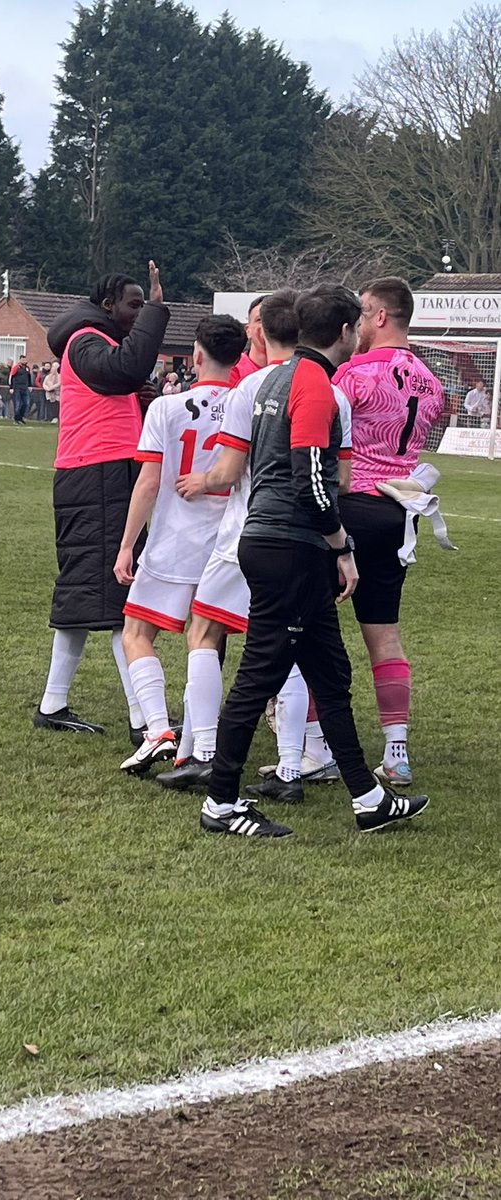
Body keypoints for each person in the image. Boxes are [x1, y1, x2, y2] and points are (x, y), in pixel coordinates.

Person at [198, 283, 430, 838]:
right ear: (347, 332)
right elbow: (314, 484)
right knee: (260, 674)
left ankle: (369, 797)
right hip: (290, 546)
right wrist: (342, 547)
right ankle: (221, 802)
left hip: (272, 540)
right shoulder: (315, 386)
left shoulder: (268, 381)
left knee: (331, 673)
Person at [163, 289, 350, 798]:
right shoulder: (334, 392)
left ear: (263, 331)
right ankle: (293, 765)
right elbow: (342, 482)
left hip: (249, 534)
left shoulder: (253, 388)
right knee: (290, 647)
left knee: (204, 631)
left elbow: (226, 473)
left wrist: (198, 483)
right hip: (306, 540)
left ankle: (204, 753)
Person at [34, 261, 169, 736]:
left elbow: (122, 379)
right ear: (108, 305)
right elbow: (125, 368)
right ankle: (143, 719)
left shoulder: (95, 339)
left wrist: (141, 400)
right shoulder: (85, 341)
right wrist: (157, 310)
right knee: (120, 596)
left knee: (83, 594)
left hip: (95, 474)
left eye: (141, 307)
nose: (138, 314)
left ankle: (53, 705)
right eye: (133, 305)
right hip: (98, 477)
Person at [113, 314, 246, 774]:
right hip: (227, 545)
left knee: (136, 632)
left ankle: (157, 731)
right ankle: (197, 744)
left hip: (173, 544)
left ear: (196, 355)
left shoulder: (166, 409)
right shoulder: (247, 404)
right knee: (207, 642)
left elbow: (149, 482)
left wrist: (128, 543)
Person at [333, 277, 446, 788]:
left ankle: (312, 745)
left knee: (316, 628)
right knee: (384, 633)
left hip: (352, 504)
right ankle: (396, 750)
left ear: (379, 316)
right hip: (400, 510)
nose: (356, 323)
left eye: (362, 313)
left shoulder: (352, 375)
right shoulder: (432, 381)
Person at [228, 296, 267, 386]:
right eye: (259, 320)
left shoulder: (297, 371)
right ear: (248, 330)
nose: (267, 326)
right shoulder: (231, 372)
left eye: (272, 320)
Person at [10, 355, 32, 424]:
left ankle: (21, 417)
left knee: (26, 403)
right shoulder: (16, 367)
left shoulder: (27, 368)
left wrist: (29, 386)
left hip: (24, 388)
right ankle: (16, 418)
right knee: (17, 404)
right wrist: (11, 387)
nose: (24, 361)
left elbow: (29, 377)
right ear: (20, 360)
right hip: (17, 388)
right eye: (22, 360)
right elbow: (11, 377)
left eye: (24, 360)